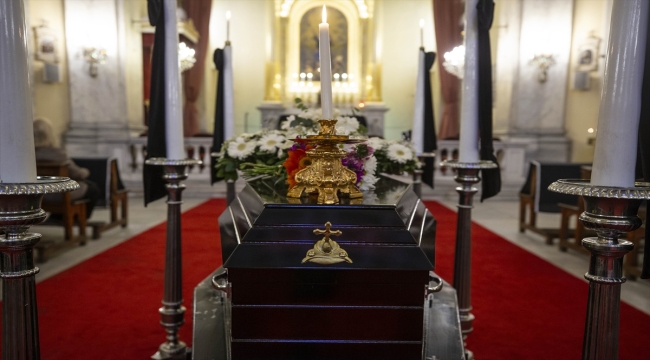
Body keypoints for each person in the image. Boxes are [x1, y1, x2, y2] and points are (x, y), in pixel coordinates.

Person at [33, 118, 100, 218]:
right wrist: (85, 171)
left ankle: (57, 217)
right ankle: (77, 219)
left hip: (35, 196)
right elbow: (77, 173)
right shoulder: (57, 154)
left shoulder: (27, 155)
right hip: (58, 195)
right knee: (93, 188)